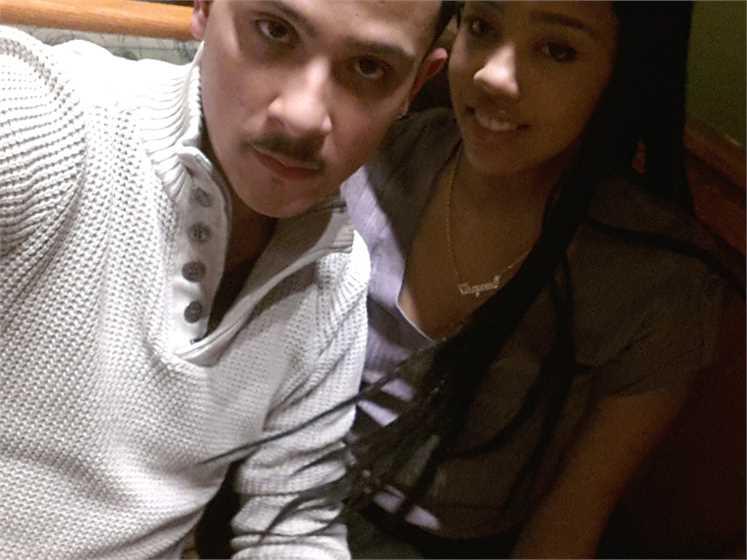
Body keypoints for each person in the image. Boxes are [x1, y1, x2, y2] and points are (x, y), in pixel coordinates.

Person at [0, 0, 452, 557]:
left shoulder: (334, 276)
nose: (303, 115)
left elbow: (292, 525)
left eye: (368, 68)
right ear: (205, 6)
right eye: (275, 31)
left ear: (415, 86)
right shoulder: (46, 122)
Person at [342, 1, 739, 557]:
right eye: (482, 27)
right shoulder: (386, 153)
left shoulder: (657, 284)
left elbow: (568, 524)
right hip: (287, 489)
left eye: (557, 50)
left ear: (624, 72)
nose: (493, 75)